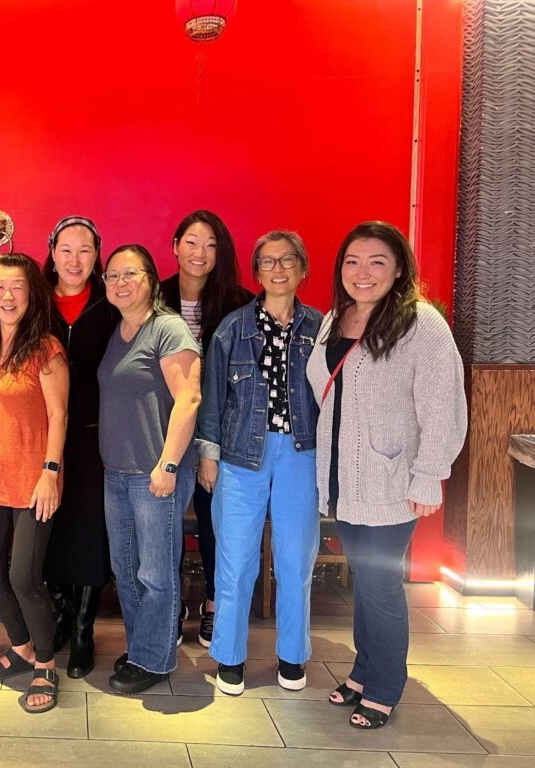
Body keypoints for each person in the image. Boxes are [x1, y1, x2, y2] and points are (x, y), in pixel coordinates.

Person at [306, 221, 466, 729]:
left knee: (380, 586)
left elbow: (443, 405)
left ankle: (384, 687)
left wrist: (428, 473)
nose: (363, 272)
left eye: (378, 261)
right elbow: (326, 389)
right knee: (365, 582)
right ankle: (362, 670)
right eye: (353, 261)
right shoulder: (337, 317)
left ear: (399, 269)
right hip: (343, 480)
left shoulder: (419, 322)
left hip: (390, 480)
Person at [196, 230, 322, 696]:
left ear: (302, 269)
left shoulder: (320, 328)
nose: (278, 269)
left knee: (294, 559)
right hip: (239, 458)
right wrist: (207, 456)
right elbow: (212, 399)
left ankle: (292, 655)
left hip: (300, 454)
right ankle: (230, 657)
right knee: (236, 561)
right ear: (257, 272)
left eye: (288, 260)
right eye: (268, 261)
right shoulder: (232, 328)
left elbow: (332, 399)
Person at [0, 253, 69, 714]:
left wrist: (51, 472)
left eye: (18, 288)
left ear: (32, 295)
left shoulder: (45, 347)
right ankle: (22, 646)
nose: (7, 296)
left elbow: (58, 414)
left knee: (23, 576)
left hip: (33, 478)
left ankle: (45, 664)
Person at [98, 244, 201, 694]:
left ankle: (156, 659)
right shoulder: (118, 329)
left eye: (130, 274)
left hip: (154, 472)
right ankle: (143, 646)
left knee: (156, 572)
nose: (121, 283)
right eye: (113, 276)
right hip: (115, 471)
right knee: (126, 568)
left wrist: (169, 465)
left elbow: (190, 399)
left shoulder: (168, 328)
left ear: (152, 279)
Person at [162, 210, 253, 647]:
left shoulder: (239, 303)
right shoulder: (154, 296)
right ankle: (171, 599)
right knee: (165, 519)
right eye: (192, 242)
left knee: (215, 520)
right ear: (175, 245)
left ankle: (214, 603)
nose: (200, 253)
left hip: (220, 430)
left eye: (211, 244)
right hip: (165, 430)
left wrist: (212, 442)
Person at [41, 215, 118, 679]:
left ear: (97, 255)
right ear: (51, 252)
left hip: (94, 434)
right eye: (65, 249)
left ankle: (85, 629)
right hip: (42, 434)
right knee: (49, 526)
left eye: (84, 250)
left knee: (90, 530)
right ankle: (62, 615)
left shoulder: (113, 303)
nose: (74, 260)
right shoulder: (34, 301)